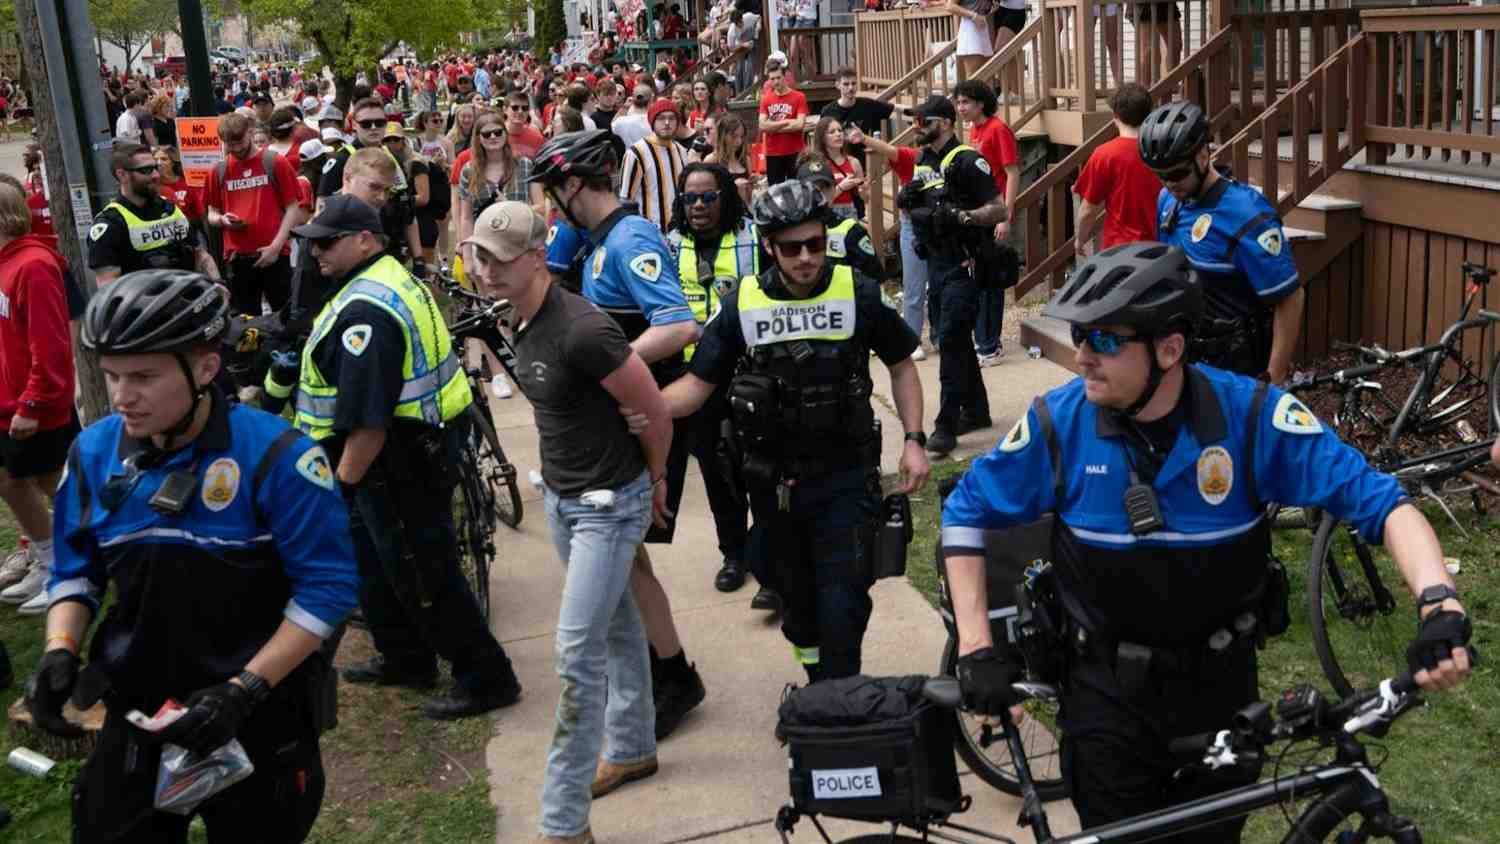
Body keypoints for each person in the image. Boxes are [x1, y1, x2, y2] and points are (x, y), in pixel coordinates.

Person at [941, 242, 1474, 842]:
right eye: (1081, 335)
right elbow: (966, 512)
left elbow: (1384, 503)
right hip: (1105, 702)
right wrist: (976, 644)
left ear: (1169, 349)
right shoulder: (1057, 424)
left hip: (1221, 698)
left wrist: (1439, 603)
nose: (1083, 355)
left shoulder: (1251, 420)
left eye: (1107, 340)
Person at [30, 270, 359, 842]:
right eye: (111, 376)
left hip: (258, 715)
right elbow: (76, 567)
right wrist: (60, 649)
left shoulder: (279, 458)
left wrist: (245, 690)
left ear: (206, 368)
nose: (121, 397)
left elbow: (327, 591)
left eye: (143, 376)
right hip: (137, 710)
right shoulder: (92, 452)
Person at [658, 180, 931, 683]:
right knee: (797, 603)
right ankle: (816, 685)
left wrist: (914, 440)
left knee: (845, 602)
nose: (806, 257)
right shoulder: (743, 301)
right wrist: (637, 406)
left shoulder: (860, 293)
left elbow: (901, 365)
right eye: (791, 247)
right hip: (772, 484)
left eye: (815, 243)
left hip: (845, 477)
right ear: (768, 246)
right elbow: (696, 387)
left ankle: (838, 701)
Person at [461, 201, 670, 844]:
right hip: (564, 498)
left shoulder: (582, 328)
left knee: (576, 654)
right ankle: (633, 744)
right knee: (614, 626)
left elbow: (654, 410)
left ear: (534, 258)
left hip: (609, 506)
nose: (484, 267)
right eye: (478, 254)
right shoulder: (517, 319)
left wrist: (655, 482)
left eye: (498, 257)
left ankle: (562, 821)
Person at [290, 194, 524, 719]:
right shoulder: (384, 278)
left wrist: (341, 487)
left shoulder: (366, 313)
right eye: (311, 242)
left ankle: (486, 677)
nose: (315, 252)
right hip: (407, 451)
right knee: (374, 562)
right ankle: (406, 656)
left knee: (426, 573)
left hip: (396, 461)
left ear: (364, 240)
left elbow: (370, 422)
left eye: (326, 242)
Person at [529, 130, 706, 741]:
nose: (552, 204)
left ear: (575, 184)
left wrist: (613, 367)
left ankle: (671, 677)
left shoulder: (630, 239)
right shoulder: (593, 237)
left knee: (627, 561)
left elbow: (679, 324)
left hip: (638, 415)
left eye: (555, 191)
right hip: (615, 415)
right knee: (629, 562)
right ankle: (670, 670)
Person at [1143, 100, 1303, 382]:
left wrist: (1274, 377)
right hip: (1187, 359)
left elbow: (1290, 297)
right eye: (1160, 176)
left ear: (1203, 156)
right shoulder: (1167, 201)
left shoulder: (1248, 214)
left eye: (1178, 173)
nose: (1169, 184)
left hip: (1238, 368)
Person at [664, 163, 765, 604]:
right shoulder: (666, 245)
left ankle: (769, 558)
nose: (700, 206)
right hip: (693, 378)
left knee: (760, 469)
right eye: (691, 198)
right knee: (716, 471)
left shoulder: (753, 238)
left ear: (725, 196)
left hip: (749, 373)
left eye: (708, 197)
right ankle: (734, 554)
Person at [901, 95, 1007, 457]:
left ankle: (945, 426)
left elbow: (998, 209)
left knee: (950, 339)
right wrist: (910, 204)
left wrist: (962, 217)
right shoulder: (923, 161)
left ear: (945, 123)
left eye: (923, 121)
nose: (918, 128)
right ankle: (977, 411)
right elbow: (921, 209)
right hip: (936, 264)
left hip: (965, 265)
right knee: (955, 340)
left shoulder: (967, 161)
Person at [0, 181, 75, 615]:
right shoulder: (7, 263)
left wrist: (34, 402)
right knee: (10, 482)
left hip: (35, 405)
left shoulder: (33, 265)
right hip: (10, 402)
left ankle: (69, 569)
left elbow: (50, 344)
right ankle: (49, 562)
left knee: (55, 484)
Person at [204, 112, 302, 316]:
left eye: (239, 141)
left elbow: (293, 207)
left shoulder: (275, 162)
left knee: (284, 315)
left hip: (275, 254)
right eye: (229, 144)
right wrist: (222, 220)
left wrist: (276, 246)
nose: (236, 148)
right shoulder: (218, 170)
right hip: (238, 258)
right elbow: (211, 213)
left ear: (250, 132)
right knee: (245, 320)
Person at [953, 79, 1019, 366]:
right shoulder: (973, 130)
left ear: (981, 102)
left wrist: (1006, 214)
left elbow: (1013, 172)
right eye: (958, 102)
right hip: (978, 215)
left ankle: (990, 345)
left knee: (992, 281)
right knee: (979, 279)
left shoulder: (998, 129)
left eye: (965, 102)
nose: (960, 108)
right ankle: (985, 340)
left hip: (994, 214)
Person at [317, 98, 423, 274]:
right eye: (366, 123)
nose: (374, 128)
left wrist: (418, 258)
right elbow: (321, 213)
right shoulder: (340, 161)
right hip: (356, 260)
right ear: (354, 125)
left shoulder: (393, 158)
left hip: (393, 255)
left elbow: (408, 211)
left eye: (379, 123)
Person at [89, 142, 219, 283]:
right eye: (146, 170)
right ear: (122, 175)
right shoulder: (110, 224)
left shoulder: (170, 209)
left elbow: (201, 255)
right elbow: (108, 284)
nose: (156, 175)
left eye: (156, 168)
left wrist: (217, 284)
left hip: (186, 300)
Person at [1073, 83, 1160, 254]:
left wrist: (1080, 239)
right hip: (1162, 246)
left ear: (1115, 116)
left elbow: (1088, 210)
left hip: (1120, 248)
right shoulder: (1163, 149)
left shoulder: (1105, 154)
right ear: (1149, 114)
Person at [457, 111, 546, 257]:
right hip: (484, 247)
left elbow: (541, 207)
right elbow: (466, 218)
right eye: (487, 134)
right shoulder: (468, 170)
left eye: (498, 132)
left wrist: (512, 207)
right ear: (478, 138)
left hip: (520, 244)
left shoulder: (524, 164)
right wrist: (467, 257)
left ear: (505, 134)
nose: (493, 137)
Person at [793, 158, 883, 281]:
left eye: (825, 188)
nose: (819, 195)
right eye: (812, 189)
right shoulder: (787, 231)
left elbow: (874, 279)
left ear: (834, 189)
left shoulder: (851, 231)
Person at [619, 99, 688, 233]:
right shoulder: (636, 153)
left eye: (671, 118)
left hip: (679, 231)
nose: (667, 123)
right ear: (652, 122)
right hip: (649, 232)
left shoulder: (681, 151)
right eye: (661, 118)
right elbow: (626, 200)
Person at [820, 67, 895, 171]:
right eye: (846, 84)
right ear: (837, 85)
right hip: (838, 163)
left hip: (864, 162)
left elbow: (894, 110)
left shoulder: (867, 105)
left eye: (854, 83)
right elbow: (822, 138)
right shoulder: (828, 111)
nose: (851, 88)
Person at [805, 115, 864, 221]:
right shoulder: (816, 165)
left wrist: (864, 190)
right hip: (828, 214)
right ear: (822, 138)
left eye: (840, 130)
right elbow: (817, 201)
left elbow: (864, 199)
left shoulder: (854, 162)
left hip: (851, 213)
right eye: (832, 132)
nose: (838, 134)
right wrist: (841, 188)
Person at [758, 63, 808, 186]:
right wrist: (787, 122)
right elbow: (762, 126)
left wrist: (773, 126)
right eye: (772, 79)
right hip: (773, 152)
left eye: (778, 77)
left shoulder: (799, 97)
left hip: (795, 151)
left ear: (785, 77)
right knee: (775, 192)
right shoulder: (766, 99)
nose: (775, 81)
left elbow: (799, 125)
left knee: (797, 189)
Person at [946, 0, 992, 80]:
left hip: (982, 24)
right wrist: (973, 16)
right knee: (974, 75)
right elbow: (950, 6)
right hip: (970, 28)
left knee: (986, 74)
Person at [504, 91, 547, 158]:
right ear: (505, 110)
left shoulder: (537, 137)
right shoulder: (495, 135)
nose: (520, 111)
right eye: (515, 108)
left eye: (524, 108)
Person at [611, 85, 654, 149]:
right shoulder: (655, 122)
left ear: (632, 99)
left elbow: (612, 125)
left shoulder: (621, 122)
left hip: (630, 157)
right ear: (650, 100)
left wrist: (625, 107)